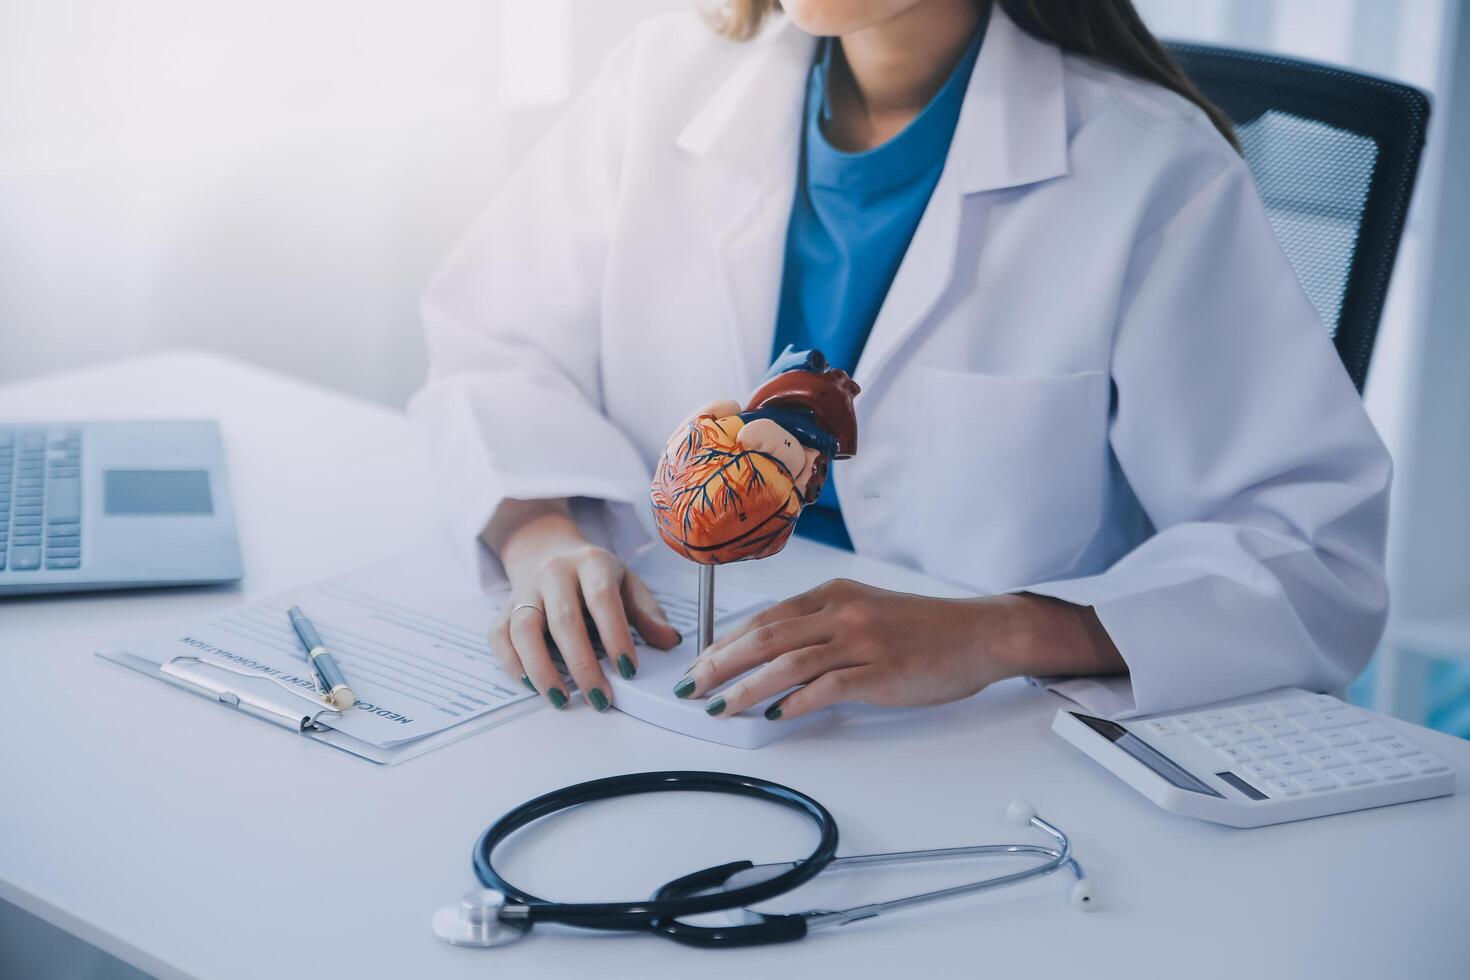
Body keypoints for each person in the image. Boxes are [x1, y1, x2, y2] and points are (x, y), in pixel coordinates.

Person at [409, 0, 1390, 724]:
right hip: (659, 691)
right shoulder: (666, 75)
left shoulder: (1150, 171)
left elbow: (1312, 557)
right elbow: (493, 344)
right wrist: (540, 531)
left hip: (987, 742)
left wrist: (996, 630)